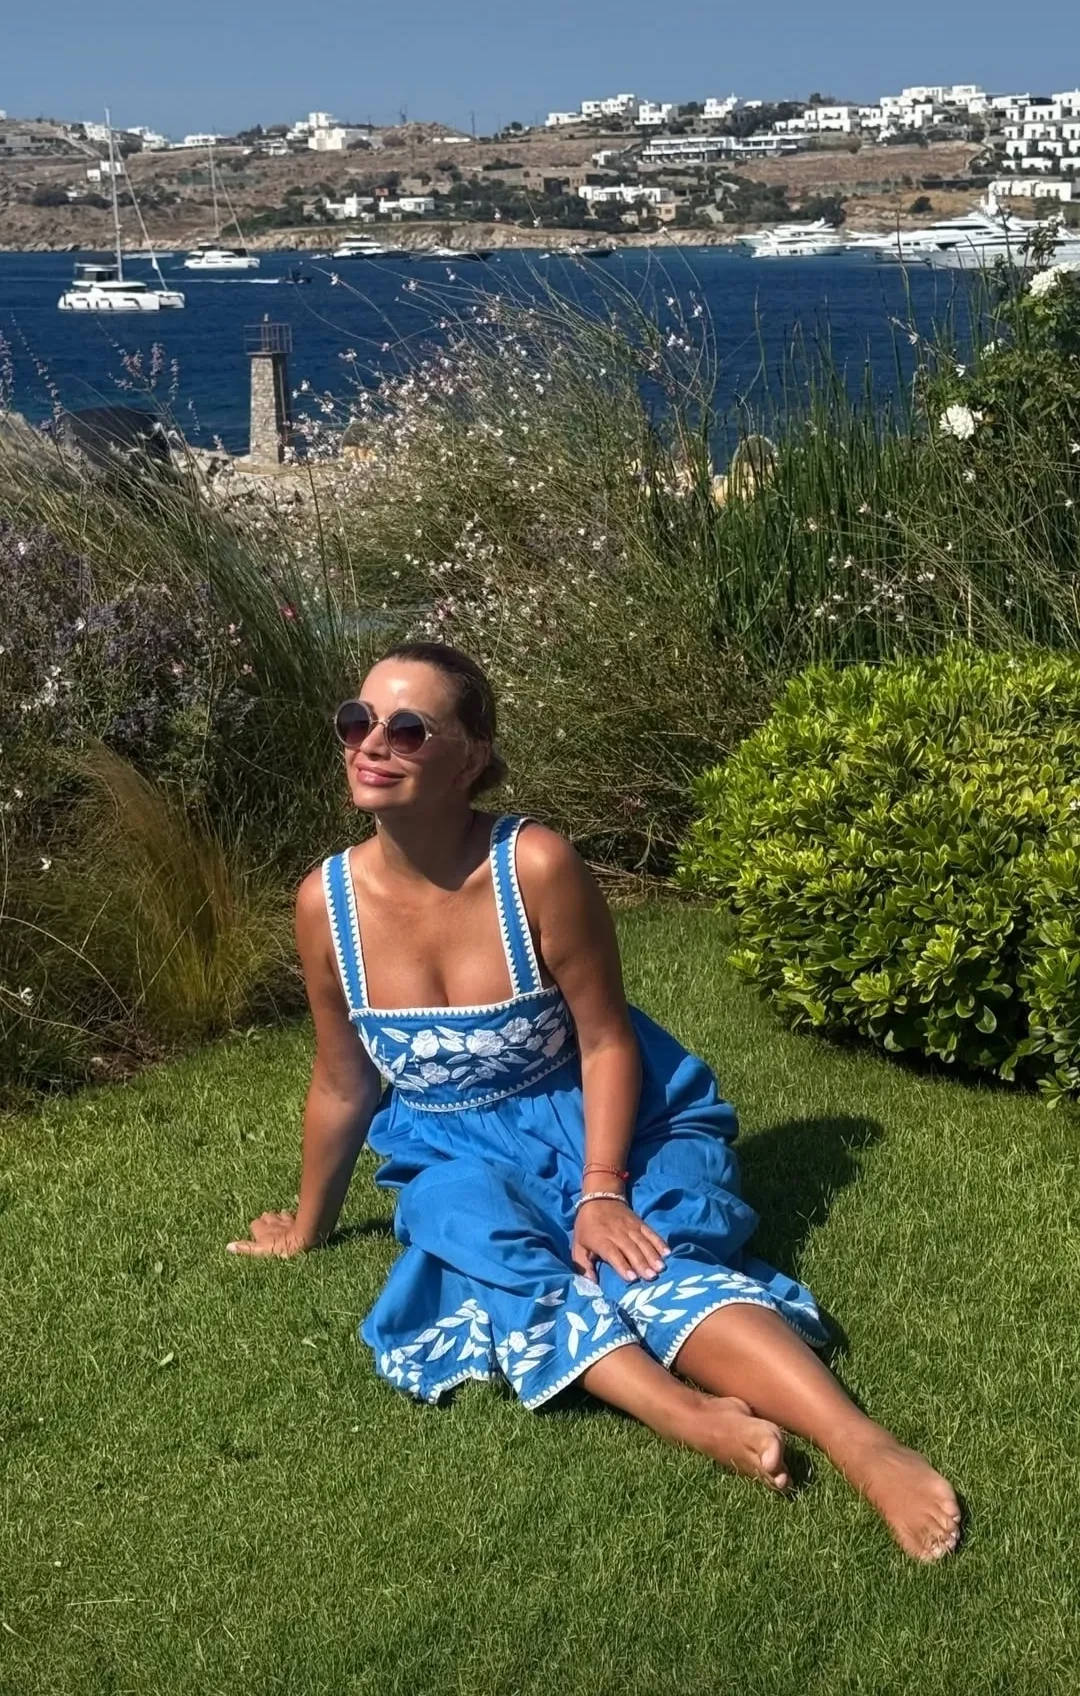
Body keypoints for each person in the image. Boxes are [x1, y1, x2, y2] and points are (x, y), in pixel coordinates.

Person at [229, 641, 961, 1562]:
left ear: (473, 757)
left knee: (644, 1260)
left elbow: (607, 1039)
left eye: (408, 729)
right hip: (456, 1149)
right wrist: (306, 1228)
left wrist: (604, 1186)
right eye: (357, 720)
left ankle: (865, 1446)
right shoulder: (324, 904)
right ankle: (681, 1413)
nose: (372, 744)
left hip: (605, 1115)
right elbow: (344, 1080)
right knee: (460, 1221)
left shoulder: (532, 866)